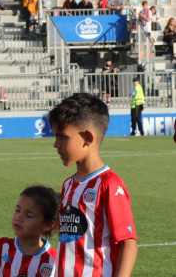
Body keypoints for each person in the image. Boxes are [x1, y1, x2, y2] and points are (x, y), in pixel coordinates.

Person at [48, 93, 138, 277]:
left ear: (88, 137)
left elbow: (128, 243)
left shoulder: (110, 184)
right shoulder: (68, 185)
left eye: (62, 137)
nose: (56, 144)